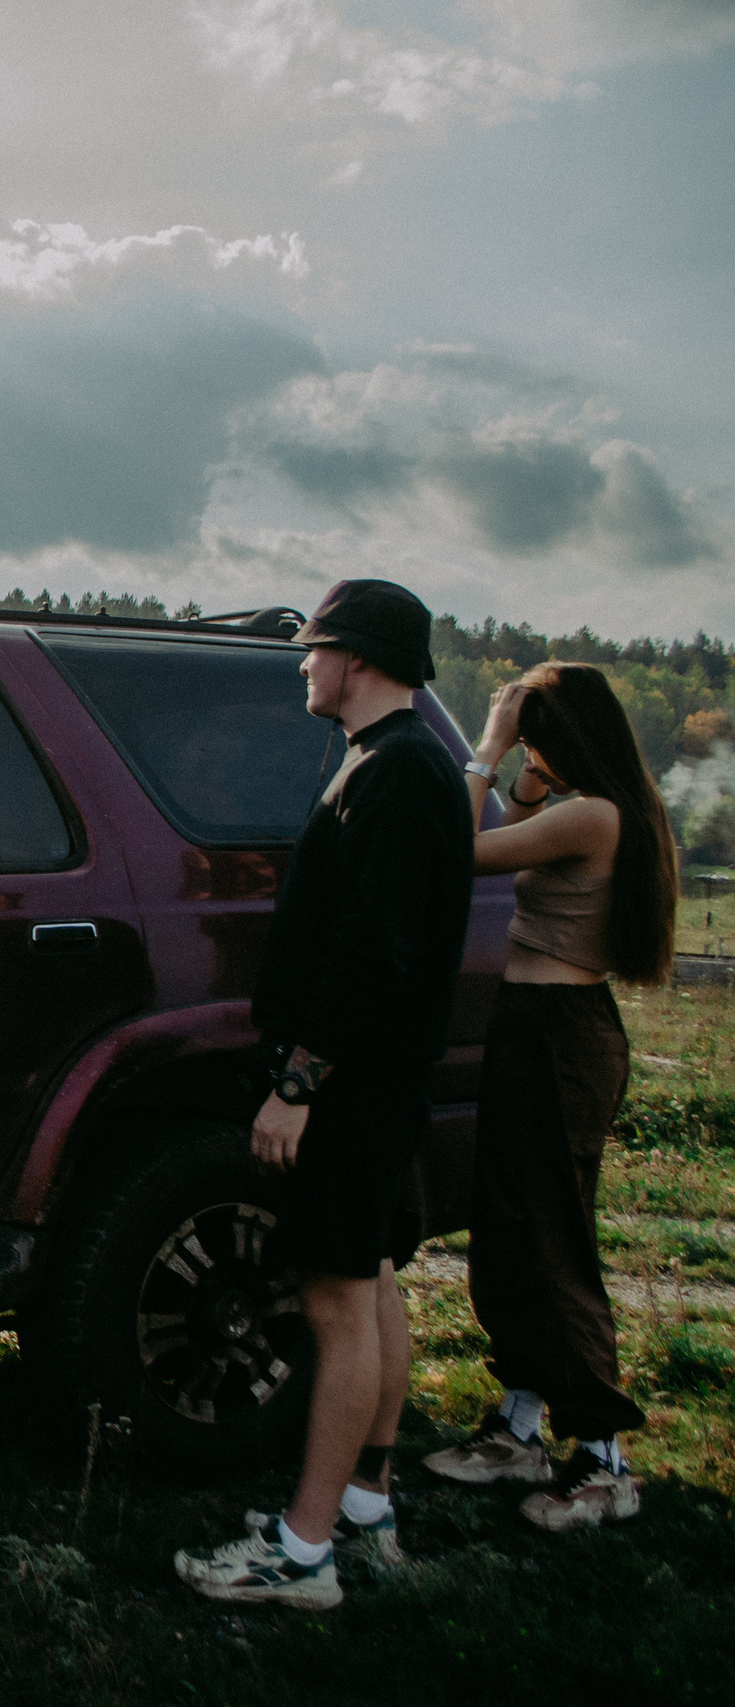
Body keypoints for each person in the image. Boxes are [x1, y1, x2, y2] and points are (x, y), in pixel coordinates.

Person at [175, 580, 474, 1610]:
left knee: (335, 1299)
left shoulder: (395, 776)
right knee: (373, 1279)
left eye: (314, 651)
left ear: (357, 659)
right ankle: (363, 1505)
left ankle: (298, 1556)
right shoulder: (393, 765)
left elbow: (371, 953)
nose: (303, 666)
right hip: (378, 1081)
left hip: (350, 1084)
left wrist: (297, 1084)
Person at [420, 663, 678, 1529]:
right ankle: (522, 1425)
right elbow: (514, 831)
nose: (522, 742)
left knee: (553, 1236)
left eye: (537, 731)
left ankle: (604, 1458)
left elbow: (459, 852)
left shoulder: (596, 816)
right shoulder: (579, 806)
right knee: (508, 1225)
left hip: (563, 1033)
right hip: (533, 1023)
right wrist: (526, 774)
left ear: (567, 733)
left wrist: (486, 752)